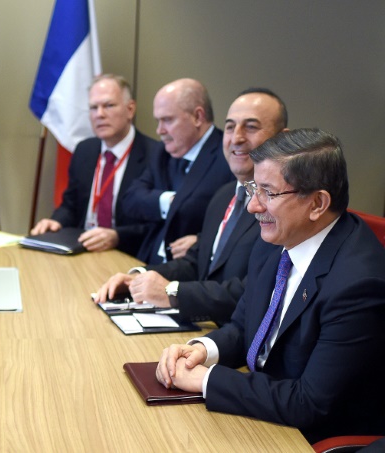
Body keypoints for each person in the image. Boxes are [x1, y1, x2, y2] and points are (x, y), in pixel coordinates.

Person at [156, 129, 385, 443]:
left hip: (309, 437)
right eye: (253, 187)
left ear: (317, 203)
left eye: (268, 192)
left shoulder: (359, 285)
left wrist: (207, 380)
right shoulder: (276, 240)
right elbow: (245, 326)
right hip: (264, 409)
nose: (253, 206)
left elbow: (309, 403)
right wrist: (202, 350)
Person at [95, 88, 288, 325]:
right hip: (204, 330)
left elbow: (253, 292)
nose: (236, 138)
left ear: (282, 137)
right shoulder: (224, 196)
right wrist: (138, 279)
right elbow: (195, 263)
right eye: (229, 127)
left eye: (250, 127)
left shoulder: (282, 207)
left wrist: (173, 293)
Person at [30, 74, 160, 255]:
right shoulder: (85, 150)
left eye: (109, 105)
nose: (99, 114)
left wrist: (117, 236)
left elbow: (157, 225)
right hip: (82, 250)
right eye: (93, 108)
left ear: (130, 109)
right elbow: (70, 205)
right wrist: (56, 222)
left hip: (127, 255)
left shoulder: (155, 155)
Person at [122, 78, 234, 264]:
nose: (159, 130)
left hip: (190, 273)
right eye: (158, 121)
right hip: (146, 260)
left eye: (167, 120)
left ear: (198, 117)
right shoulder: (162, 152)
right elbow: (131, 199)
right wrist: (169, 201)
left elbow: (234, 224)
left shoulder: (228, 157)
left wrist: (202, 241)